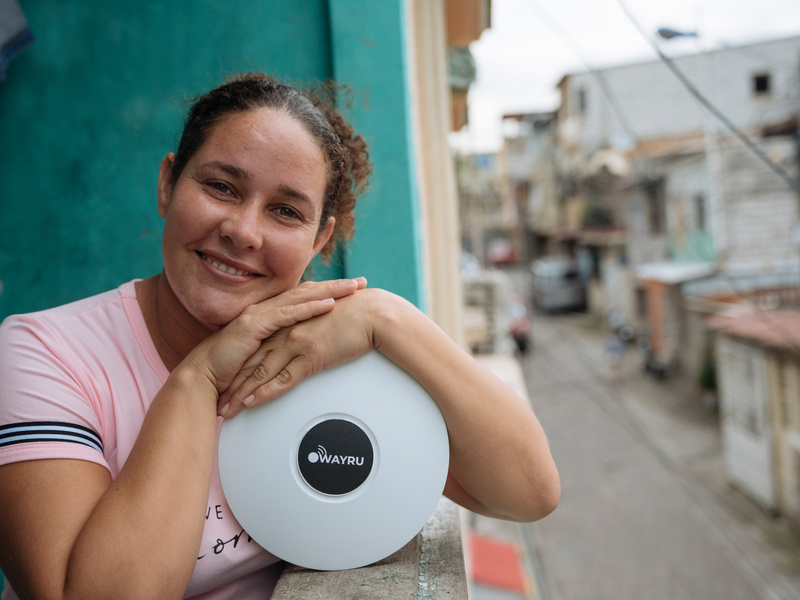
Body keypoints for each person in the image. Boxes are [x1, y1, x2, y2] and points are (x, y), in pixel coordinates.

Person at [0, 73, 559, 600]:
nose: (242, 231)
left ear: (320, 243)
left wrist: (387, 317)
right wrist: (197, 380)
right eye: (221, 186)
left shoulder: (327, 355)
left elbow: (526, 492)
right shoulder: (44, 354)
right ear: (168, 184)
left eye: (286, 212)